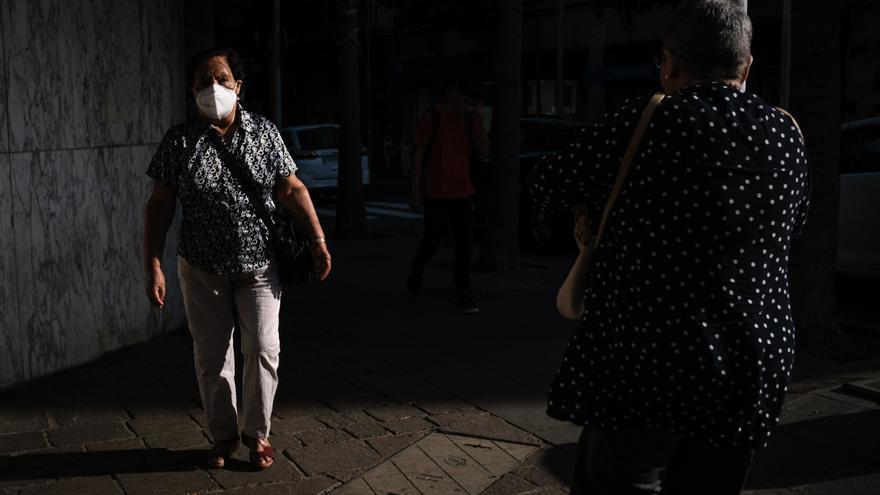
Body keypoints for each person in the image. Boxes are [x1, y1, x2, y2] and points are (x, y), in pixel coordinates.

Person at [529, 1, 810, 493]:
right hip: (750, 360)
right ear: (746, 66)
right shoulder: (786, 131)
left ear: (669, 63)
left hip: (649, 357)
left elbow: (549, 182)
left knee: (621, 481)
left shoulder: (651, 119)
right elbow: (791, 230)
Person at [143, 48, 331, 470]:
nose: (214, 89)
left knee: (264, 347)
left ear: (239, 86)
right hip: (200, 267)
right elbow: (158, 207)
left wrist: (317, 238)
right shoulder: (179, 141)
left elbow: (291, 188)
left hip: (260, 267)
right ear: (191, 92)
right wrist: (152, 264)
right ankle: (223, 436)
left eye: (222, 79)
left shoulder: (264, 133)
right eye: (202, 82)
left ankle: (256, 433)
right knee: (212, 356)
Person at [408, 79, 489, 313]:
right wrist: (416, 191)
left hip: (463, 191)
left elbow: (484, 151)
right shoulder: (432, 117)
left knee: (464, 243)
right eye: (465, 101)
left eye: (471, 103)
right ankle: (417, 268)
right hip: (435, 190)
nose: (466, 106)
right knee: (433, 237)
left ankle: (462, 290)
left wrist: (479, 120)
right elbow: (419, 154)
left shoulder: (469, 120)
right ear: (454, 95)